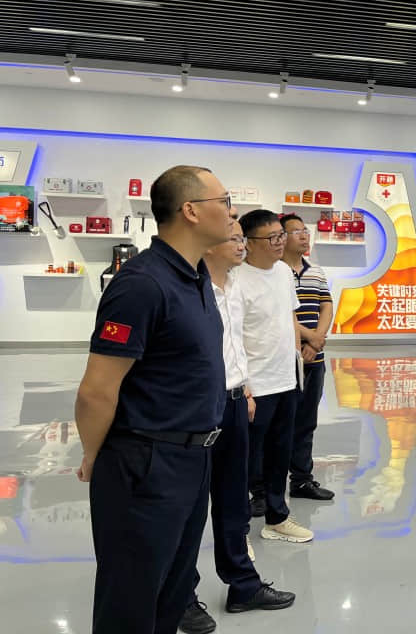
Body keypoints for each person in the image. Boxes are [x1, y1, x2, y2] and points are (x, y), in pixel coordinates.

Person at [75, 165, 233, 633]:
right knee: (131, 599)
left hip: (194, 458)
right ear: (190, 210)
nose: (232, 212)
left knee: (171, 594)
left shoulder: (197, 277)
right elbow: (96, 390)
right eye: (224, 202)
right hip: (146, 462)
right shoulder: (142, 284)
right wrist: (94, 454)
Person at [179, 220, 296, 634]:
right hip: (198, 408)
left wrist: (243, 387)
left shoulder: (232, 286)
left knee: (233, 502)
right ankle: (181, 596)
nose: (240, 244)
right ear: (208, 243)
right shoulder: (189, 290)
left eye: (241, 237)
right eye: (232, 237)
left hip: (233, 401)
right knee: (190, 509)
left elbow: (233, 348)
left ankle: (243, 585)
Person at [237, 209, 313, 543]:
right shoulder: (236, 279)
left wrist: (297, 357)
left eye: (281, 235)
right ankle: (238, 532)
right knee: (246, 460)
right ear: (249, 243)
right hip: (256, 385)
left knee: (280, 453)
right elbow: (232, 337)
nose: (280, 242)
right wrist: (245, 387)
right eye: (271, 238)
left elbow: (290, 318)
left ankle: (277, 518)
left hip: (286, 380)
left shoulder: (283, 272)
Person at [280, 213, 335, 501]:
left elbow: (326, 306)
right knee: (277, 424)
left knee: (306, 423)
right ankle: (264, 488)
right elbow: (280, 314)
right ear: (281, 237)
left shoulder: (317, 272)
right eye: (296, 231)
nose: (304, 235)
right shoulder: (275, 272)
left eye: (305, 230)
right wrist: (309, 337)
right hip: (285, 360)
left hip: (314, 359)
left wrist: (317, 339)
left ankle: (301, 480)